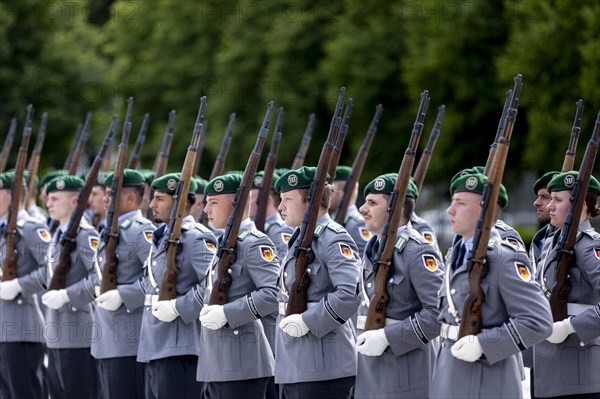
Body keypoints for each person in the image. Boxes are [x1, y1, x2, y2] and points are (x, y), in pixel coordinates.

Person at [431, 173, 552, 398]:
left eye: (461, 203)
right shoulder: (456, 254)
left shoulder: (504, 258)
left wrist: (484, 345)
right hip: (449, 372)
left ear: (483, 210)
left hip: (486, 380)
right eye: (452, 202)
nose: (450, 210)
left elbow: (539, 322)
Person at [354, 173, 444, 398]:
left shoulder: (417, 250)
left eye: (372, 203)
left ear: (397, 208)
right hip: (370, 372)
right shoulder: (373, 247)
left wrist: (388, 337)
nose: (362, 209)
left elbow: (437, 315)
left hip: (405, 374)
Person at [274, 166, 360, 399]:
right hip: (293, 364)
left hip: (323, 367)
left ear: (310, 201)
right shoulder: (298, 238)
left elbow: (349, 294)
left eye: (287, 199)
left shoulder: (333, 237)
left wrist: (308, 321)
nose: (280, 207)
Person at [197, 173, 280, 398]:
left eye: (213, 203)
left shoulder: (254, 242)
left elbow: (274, 294)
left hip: (242, 364)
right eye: (206, 202)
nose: (206, 210)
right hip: (216, 362)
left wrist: (226, 313)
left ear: (237, 204)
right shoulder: (224, 242)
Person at [137, 173, 217, 399]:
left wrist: (179, 307)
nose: (152, 204)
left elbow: (213, 285)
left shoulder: (196, 238)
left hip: (181, 348)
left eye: (160, 199)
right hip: (154, 345)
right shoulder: (161, 237)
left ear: (179, 202)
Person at [19, 175, 100, 398]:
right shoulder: (58, 234)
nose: (48, 203)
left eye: (55, 198)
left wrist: (68, 295)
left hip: (78, 333)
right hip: (54, 332)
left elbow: (100, 280)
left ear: (74, 201)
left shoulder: (86, 235)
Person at [533, 171, 600, 398]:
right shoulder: (551, 241)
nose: (550, 206)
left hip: (577, 368)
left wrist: (570, 326)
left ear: (580, 205)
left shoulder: (588, 246)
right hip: (547, 365)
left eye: (557, 200)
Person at [91, 169, 155, 398]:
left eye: (110, 194)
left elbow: (157, 279)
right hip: (104, 340)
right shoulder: (107, 230)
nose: (105, 199)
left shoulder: (142, 231)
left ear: (130, 198)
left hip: (130, 341)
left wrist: (124, 295)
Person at [0, 171, 51, 399]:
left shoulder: (31, 228)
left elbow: (52, 269)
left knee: (25, 393)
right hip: (3, 328)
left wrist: (20, 285)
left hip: (22, 328)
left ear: (13, 195)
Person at [329, 165, 372, 254]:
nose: (324, 195)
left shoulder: (358, 225)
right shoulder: (331, 218)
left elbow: (363, 262)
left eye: (330, 190)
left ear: (343, 192)